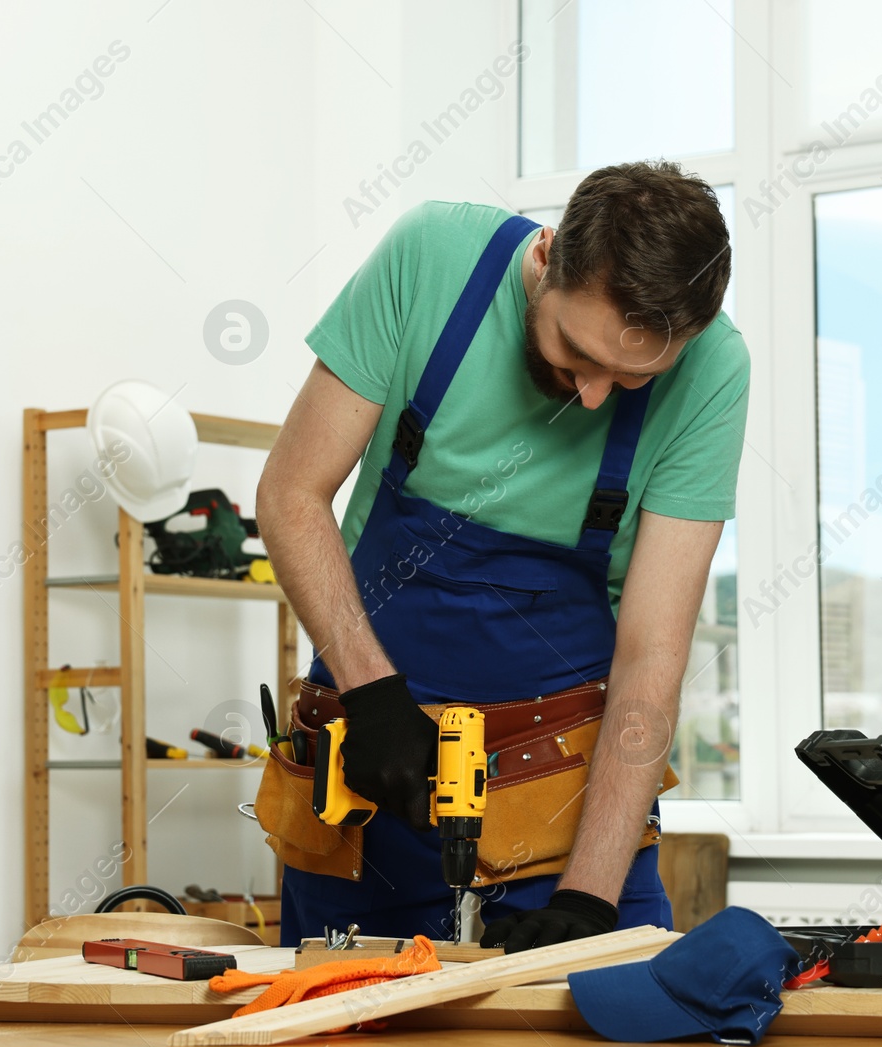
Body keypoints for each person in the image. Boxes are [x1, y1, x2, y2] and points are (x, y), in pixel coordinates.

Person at [255, 160, 748, 951]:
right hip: (373, 770)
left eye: (631, 378)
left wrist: (589, 894)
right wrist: (372, 694)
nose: (592, 396)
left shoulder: (716, 369)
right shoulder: (431, 257)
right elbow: (290, 494)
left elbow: (653, 652)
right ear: (546, 255)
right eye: (575, 352)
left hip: (568, 801)